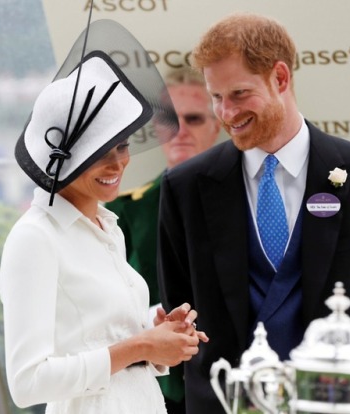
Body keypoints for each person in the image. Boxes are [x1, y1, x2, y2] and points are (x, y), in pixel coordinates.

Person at [157, 12, 350, 413]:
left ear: (280, 78)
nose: (226, 113)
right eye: (216, 97)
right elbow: (179, 303)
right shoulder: (184, 187)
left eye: (239, 94)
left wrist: (341, 377)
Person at [0, 33, 208, 413]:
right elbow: (27, 382)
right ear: (62, 159)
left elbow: (93, 337)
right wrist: (142, 346)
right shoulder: (34, 238)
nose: (117, 164)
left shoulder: (106, 227)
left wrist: (153, 328)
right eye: (98, 154)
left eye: (122, 146)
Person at [105, 66, 220, 413]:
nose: (181, 131)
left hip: (231, 379)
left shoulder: (250, 204)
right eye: (170, 119)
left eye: (195, 119)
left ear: (218, 125)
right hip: (155, 387)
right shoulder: (122, 213)